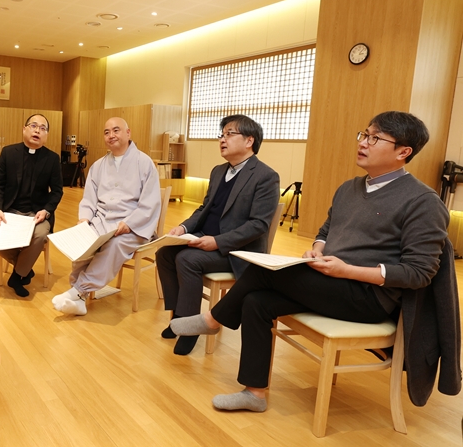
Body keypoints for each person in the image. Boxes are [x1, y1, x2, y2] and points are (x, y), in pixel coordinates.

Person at [171, 111, 457, 413]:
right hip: (331, 283)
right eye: (364, 134)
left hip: (368, 297)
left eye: (375, 138)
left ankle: (213, 320)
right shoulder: (350, 187)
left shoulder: (423, 201)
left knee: (262, 272)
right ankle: (255, 393)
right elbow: (325, 230)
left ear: (403, 152)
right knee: (257, 301)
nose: (364, 143)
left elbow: (419, 273)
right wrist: (317, 249)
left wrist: (347, 270)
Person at [156, 115, 280, 355]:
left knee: (187, 260)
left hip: (238, 250)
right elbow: (204, 209)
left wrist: (217, 242)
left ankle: (190, 329)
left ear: (249, 141)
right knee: (165, 253)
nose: (222, 139)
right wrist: (183, 228)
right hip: (205, 236)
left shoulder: (265, 176)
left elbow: (258, 225)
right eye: (221, 134)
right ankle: (178, 317)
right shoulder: (218, 171)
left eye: (229, 134)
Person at [52, 117, 161, 316]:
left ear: (128, 133)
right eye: (107, 132)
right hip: (102, 220)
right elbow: (89, 200)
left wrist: (129, 223)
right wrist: (84, 219)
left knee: (114, 245)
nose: (111, 135)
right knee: (82, 242)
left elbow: (150, 203)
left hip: (132, 224)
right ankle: (79, 298)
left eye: (116, 130)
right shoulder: (99, 165)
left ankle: (78, 292)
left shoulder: (144, 163)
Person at [0, 114, 64, 297]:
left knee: (39, 236)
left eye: (42, 128)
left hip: (36, 213)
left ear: (46, 135)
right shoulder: (8, 153)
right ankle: (25, 269)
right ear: (24, 129)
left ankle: (17, 275)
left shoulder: (52, 159)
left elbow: (57, 191)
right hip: (10, 211)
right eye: (33, 126)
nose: (37, 130)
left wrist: (46, 211)